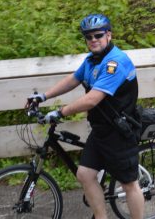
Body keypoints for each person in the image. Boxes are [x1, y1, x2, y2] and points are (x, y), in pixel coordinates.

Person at [26, 14, 144, 219]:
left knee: (129, 183)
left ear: (109, 35)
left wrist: (59, 112)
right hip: (101, 130)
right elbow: (73, 79)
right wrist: (43, 96)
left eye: (98, 35)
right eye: (88, 37)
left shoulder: (115, 62)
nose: (93, 40)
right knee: (85, 174)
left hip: (120, 132)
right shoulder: (92, 60)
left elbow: (92, 100)